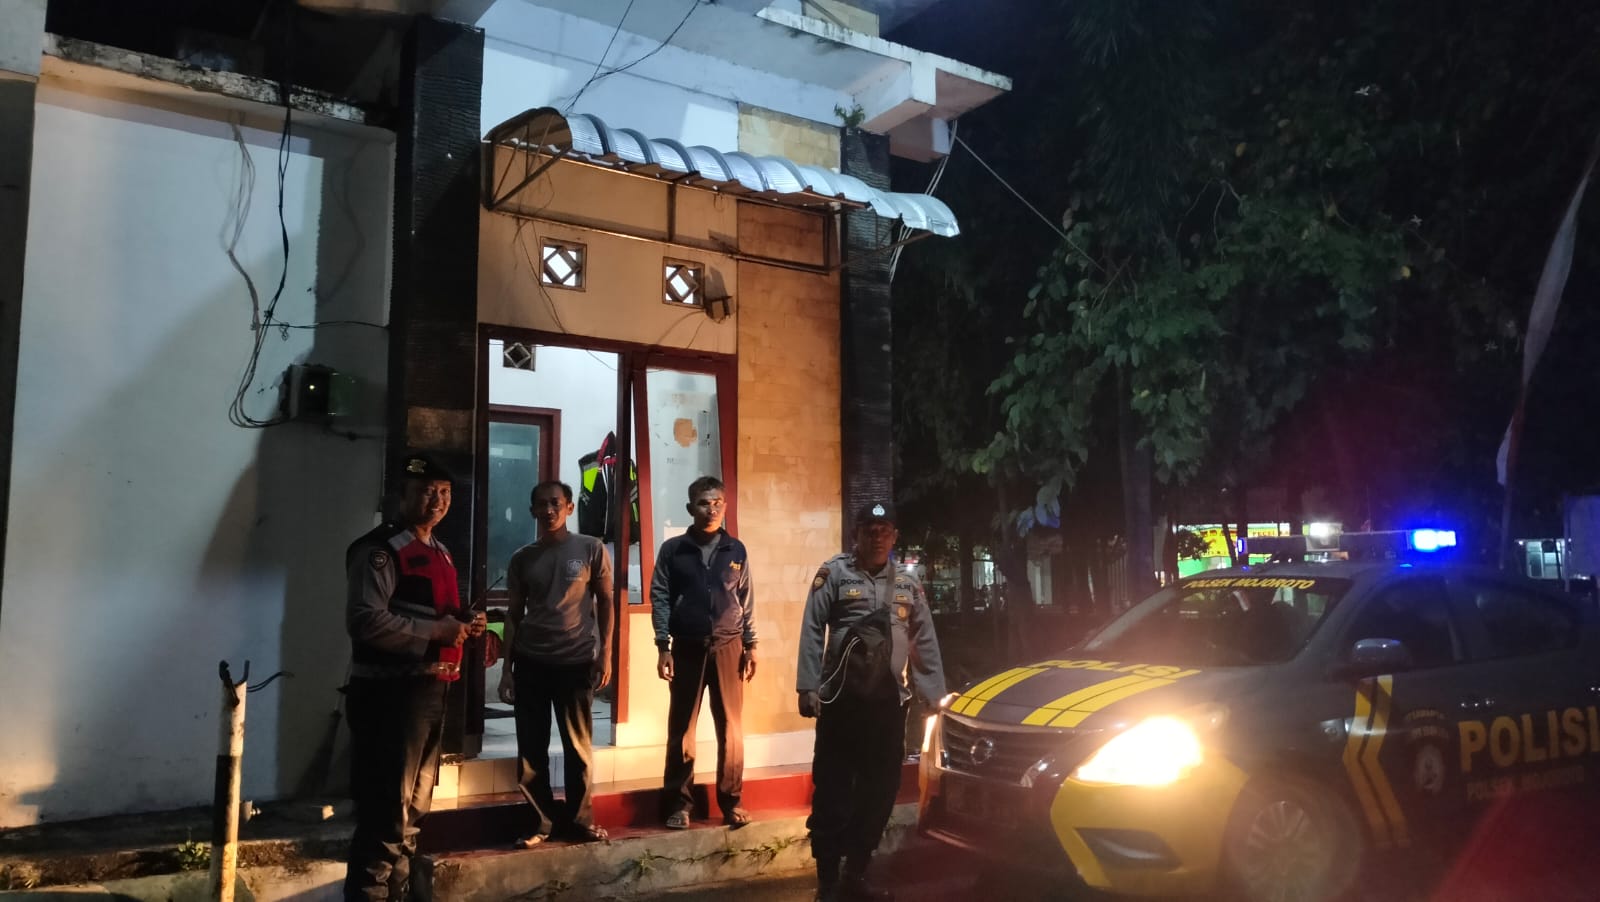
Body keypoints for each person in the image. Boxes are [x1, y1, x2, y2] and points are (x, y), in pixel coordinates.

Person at [343, 453, 486, 902]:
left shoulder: (441, 551)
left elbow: (435, 613)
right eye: (426, 491)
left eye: (445, 492)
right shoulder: (380, 550)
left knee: (414, 809)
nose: (437, 500)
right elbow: (366, 620)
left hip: (432, 691)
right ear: (401, 495)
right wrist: (437, 631)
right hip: (391, 695)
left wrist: (464, 622)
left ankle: (398, 893)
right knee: (387, 810)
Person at [797, 502, 946, 902]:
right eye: (869, 530)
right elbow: (812, 628)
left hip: (887, 705)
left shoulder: (908, 583)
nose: (877, 537)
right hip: (841, 703)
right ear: (856, 535)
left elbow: (924, 640)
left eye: (884, 531)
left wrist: (934, 695)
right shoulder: (834, 574)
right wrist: (807, 687)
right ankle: (828, 879)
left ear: (894, 536)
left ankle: (856, 871)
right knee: (832, 790)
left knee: (880, 792)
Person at [498, 480, 615, 847]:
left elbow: (606, 603)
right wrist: (506, 670)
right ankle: (541, 822)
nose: (548, 510)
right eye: (541, 504)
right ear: (532, 510)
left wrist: (605, 654)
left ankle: (581, 821)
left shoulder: (591, 548)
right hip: (531, 663)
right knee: (531, 751)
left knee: (578, 748)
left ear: (569, 507)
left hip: (575, 663)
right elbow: (513, 615)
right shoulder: (522, 558)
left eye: (555, 503)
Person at [651, 475, 757, 829]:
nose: (711, 510)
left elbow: (746, 600)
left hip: (730, 646)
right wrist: (662, 645)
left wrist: (752, 645)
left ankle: (732, 801)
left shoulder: (736, 550)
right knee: (682, 728)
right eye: (703, 503)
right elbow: (660, 596)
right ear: (689, 508)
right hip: (686, 648)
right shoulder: (673, 550)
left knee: (732, 728)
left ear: (725, 506)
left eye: (717, 503)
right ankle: (679, 804)